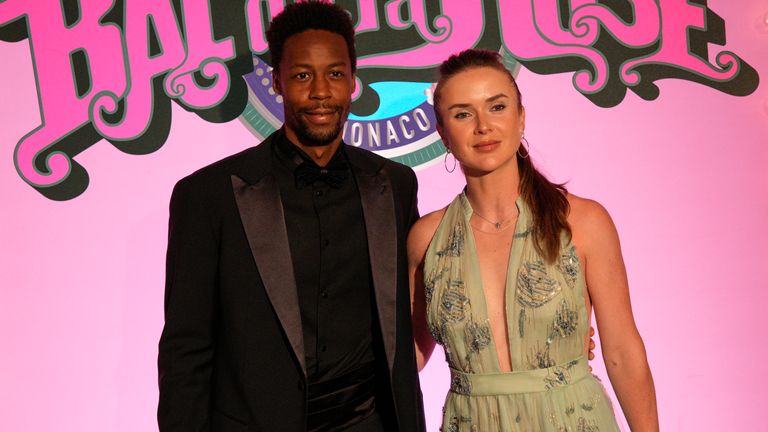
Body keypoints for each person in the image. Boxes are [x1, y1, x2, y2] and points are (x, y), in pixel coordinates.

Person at [157, 2, 425, 431]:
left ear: (352, 80)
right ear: (277, 81)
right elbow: (186, 349)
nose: (320, 92)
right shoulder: (208, 196)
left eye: (334, 74)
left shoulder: (394, 185)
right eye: (302, 76)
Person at [408, 49, 658, 431]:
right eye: (462, 114)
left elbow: (622, 351)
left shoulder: (583, 222)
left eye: (497, 107)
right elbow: (407, 356)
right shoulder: (427, 239)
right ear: (442, 133)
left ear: (521, 117)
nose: (483, 126)